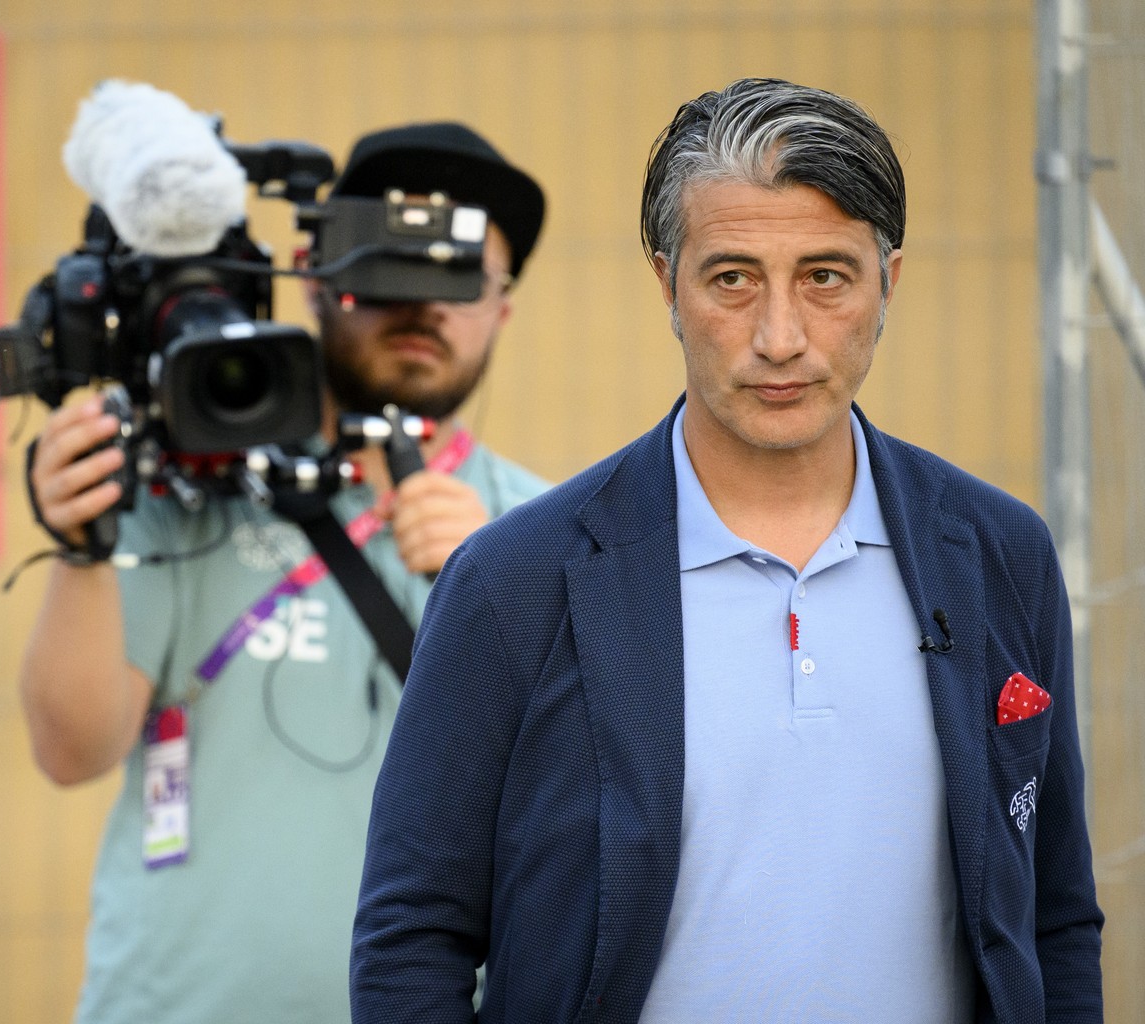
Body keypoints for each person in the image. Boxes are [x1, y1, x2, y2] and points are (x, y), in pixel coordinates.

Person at [350, 78, 1104, 1023]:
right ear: (667, 282)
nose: (779, 338)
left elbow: (1057, 918)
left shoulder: (1000, 552)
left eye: (826, 276)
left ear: (889, 282)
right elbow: (412, 936)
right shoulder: (516, 580)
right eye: (732, 277)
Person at [18, 120, 552, 1024]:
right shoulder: (191, 480)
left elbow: (589, 810)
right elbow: (71, 751)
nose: (423, 303)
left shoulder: (544, 533)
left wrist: (492, 586)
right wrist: (81, 545)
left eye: (459, 271)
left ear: (501, 307)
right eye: (390, 259)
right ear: (314, 273)